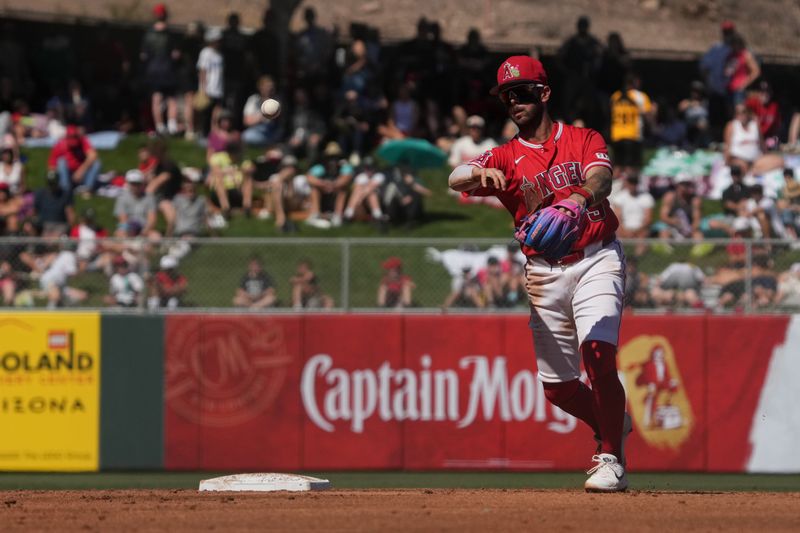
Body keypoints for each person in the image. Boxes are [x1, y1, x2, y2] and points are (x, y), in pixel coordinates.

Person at [448, 55, 630, 491]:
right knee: (559, 388)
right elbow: (455, 178)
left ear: (544, 93)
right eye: (508, 96)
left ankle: (610, 457)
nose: (515, 102)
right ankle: (613, 422)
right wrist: (477, 172)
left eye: (523, 92)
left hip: (595, 258)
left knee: (599, 355)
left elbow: (602, 178)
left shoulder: (584, 137)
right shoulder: (506, 155)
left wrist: (580, 198)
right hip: (544, 273)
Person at [140, 3, 180, 135]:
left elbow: (143, 55)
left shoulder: (148, 34)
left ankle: (160, 126)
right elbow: (175, 54)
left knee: (156, 98)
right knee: (171, 98)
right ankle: (171, 124)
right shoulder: (170, 34)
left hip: (153, 70)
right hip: (166, 68)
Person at [609, 74, 654, 177]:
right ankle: (628, 189)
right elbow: (648, 114)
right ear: (636, 82)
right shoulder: (640, 96)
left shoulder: (615, 96)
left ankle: (614, 190)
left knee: (617, 166)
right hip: (633, 135)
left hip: (616, 135)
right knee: (632, 167)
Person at [47, 125, 101, 195]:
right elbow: (52, 165)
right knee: (61, 161)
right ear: (66, 138)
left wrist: (81, 171)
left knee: (96, 163)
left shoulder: (82, 141)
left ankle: (87, 188)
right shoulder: (60, 145)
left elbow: (93, 155)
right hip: (68, 175)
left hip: (82, 174)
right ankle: (65, 189)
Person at [610, 175, 654, 256]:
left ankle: (637, 260)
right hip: (624, 229)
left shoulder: (646, 197)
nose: (633, 186)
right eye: (631, 183)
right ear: (627, 184)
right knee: (617, 234)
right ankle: (623, 258)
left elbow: (648, 219)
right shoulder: (619, 198)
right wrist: (625, 231)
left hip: (640, 230)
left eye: (635, 183)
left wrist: (635, 232)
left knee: (643, 237)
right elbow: (618, 218)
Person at [113, 170, 158, 238]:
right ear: (128, 183)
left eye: (137, 183)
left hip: (145, 229)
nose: (135, 186)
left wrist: (143, 232)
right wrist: (130, 232)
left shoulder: (149, 198)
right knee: (120, 235)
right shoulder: (122, 198)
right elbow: (123, 220)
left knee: (156, 237)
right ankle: (130, 247)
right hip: (128, 229)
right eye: (132, 183)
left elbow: (152, 219)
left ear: (142, 184)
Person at [197, 28, 225, 137]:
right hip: (208, 88)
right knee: (205, 114)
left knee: (216, 113)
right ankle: (203, 134)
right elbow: (203, 71)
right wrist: (203, 89)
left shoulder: (219, 54)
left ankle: (214, 134)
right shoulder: (206, 53)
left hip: (218, 88)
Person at [242, 75, 282, 146]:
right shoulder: (253, 99)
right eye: (266, 86)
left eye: (271, 87)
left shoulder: (277, 101)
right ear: (260, 87)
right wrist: (262, 116)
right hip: (257, 131)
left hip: (272, 131)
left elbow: (281, 122)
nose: (269, 89)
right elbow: (247, 121)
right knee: (246, 136)